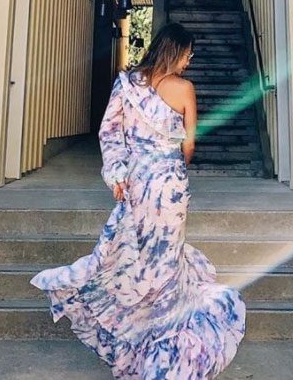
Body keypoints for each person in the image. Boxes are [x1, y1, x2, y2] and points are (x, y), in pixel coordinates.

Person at [31, 22, 246, 378]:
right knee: (165, 258)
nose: (190, 60)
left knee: (134, 256)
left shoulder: (126, 84)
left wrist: (117, 175)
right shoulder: (185, 89)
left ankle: (135, 336)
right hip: (170, 186)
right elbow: (189, 145)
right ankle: (162, 341)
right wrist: (174, 166)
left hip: (137, 183)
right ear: (174, 51)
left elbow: (109, 132)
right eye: (188, 53)